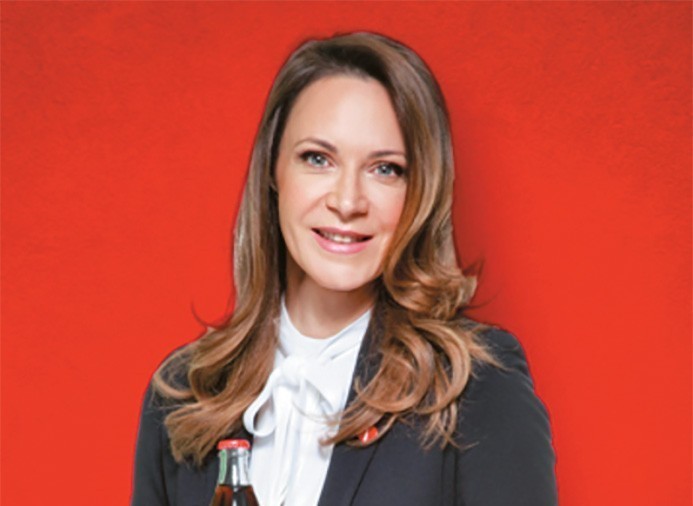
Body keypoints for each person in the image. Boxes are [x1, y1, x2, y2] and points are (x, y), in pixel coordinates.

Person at [132, 32, 557, 506]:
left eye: (385, 169)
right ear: (273, 171)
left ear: (421, 192)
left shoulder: (475, 385)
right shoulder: (183, 393)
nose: (348, 201)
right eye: (318, 159)